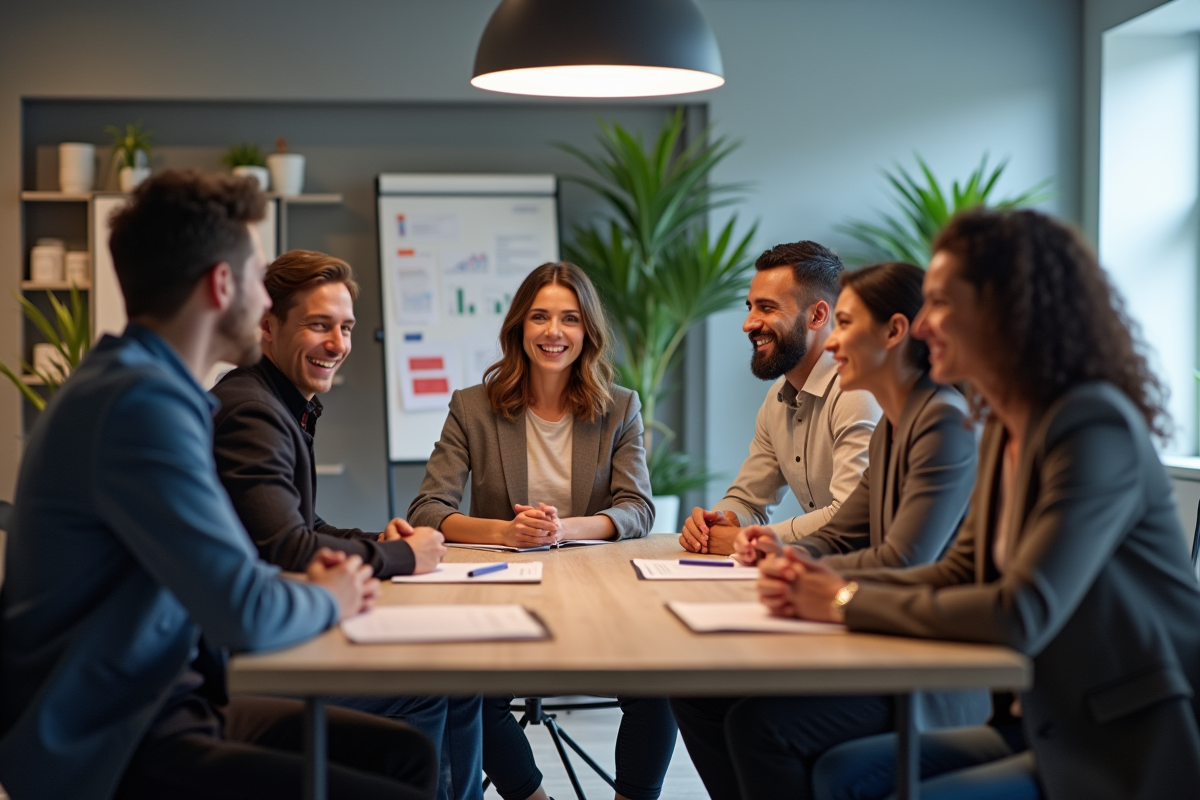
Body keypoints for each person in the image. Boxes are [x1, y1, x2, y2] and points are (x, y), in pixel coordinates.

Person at [0, 171, 436, 800]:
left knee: (406, 757)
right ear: (221, 285)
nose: (266, 307)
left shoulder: (141, 386)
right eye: (257, 283)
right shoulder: (140, 407)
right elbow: (246, 610)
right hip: (113, 738)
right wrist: (333, 596)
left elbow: (236, 569)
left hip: (162, 698)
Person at [760, 208, 1200, 800]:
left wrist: (840, 599)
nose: (922, 325)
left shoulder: (1091, 424)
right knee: (839, 772)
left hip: (1123, 740)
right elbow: (957, 572)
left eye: (941, 303)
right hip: (1037, 718)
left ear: (1008, 307)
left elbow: (1021, 612)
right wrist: (815, 583)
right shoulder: (999, 425)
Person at [670, 262, 987, 800]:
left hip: (927, 669)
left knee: (760, 727)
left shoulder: (941, 422)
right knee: (700, 695)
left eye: (844, 324)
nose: (833, 342)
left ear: (893, 333)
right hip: (879, 637)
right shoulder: (895, 424)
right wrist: (777, 548)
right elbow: (842, 532)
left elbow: (903, 557)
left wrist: (790, 565)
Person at [210, 249, 480, 800]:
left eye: (346, 327)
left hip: (265, 629)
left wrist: (378, 540)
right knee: (436, 687)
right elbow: (286, 546)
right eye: (318, 325)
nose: (337, 344)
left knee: (457, 684)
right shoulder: (252, 411)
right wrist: (405, 558)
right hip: (246, 661)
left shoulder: (279, 402)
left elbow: (302, 523)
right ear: (267, 326)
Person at [408, 262, 673, 800]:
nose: (554, 332)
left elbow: (637, 508)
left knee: (661, 689)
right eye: (541, 317)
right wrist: (507, 532)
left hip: (598, 592)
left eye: (570, 319)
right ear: (519, 329)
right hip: (503, 586)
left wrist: (564, 529)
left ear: (587, 332)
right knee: (470, 696)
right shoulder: (472, 407)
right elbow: (427, 510)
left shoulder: (619, 406)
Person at [680, 241, 881, 556]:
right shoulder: (777, 399)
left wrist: (753, 539)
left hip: (864, 584)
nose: (749, 324)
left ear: (817, 316)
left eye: (767, 307)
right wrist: (719, 521)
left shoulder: (857, 393)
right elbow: (748, 500)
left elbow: (850, 519)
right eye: (750, 307)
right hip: (813, 572)